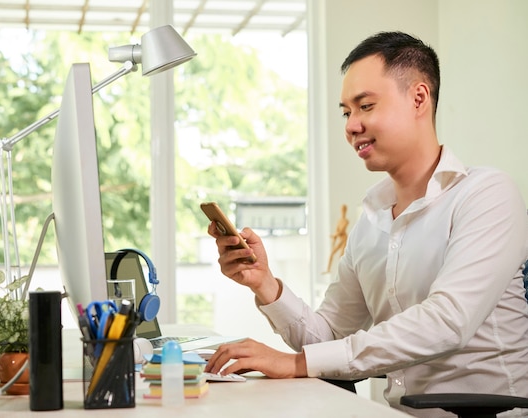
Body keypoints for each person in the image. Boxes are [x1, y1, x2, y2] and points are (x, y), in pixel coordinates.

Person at [204, 31, 528, 417]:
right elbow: (329, 338)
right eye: (346, 112)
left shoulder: (486, 194)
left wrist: (295, 364)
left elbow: (447, 322)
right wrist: (266, 284)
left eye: (366, 106)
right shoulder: (372, 219)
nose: (351, 125)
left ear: (418, 98)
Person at [323, 203, 349, 273]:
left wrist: (334, 235)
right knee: (332, 253)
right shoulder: (339, 221)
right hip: (339, 239)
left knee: (341, 256)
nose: (342, 211)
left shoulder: (346, 221)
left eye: (344, 209)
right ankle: (328, 270)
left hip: (344, 239)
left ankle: (342, 272)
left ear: (346, 210)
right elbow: (337, 231)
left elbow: (341, 231)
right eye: (342, 209)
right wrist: (334, 241)